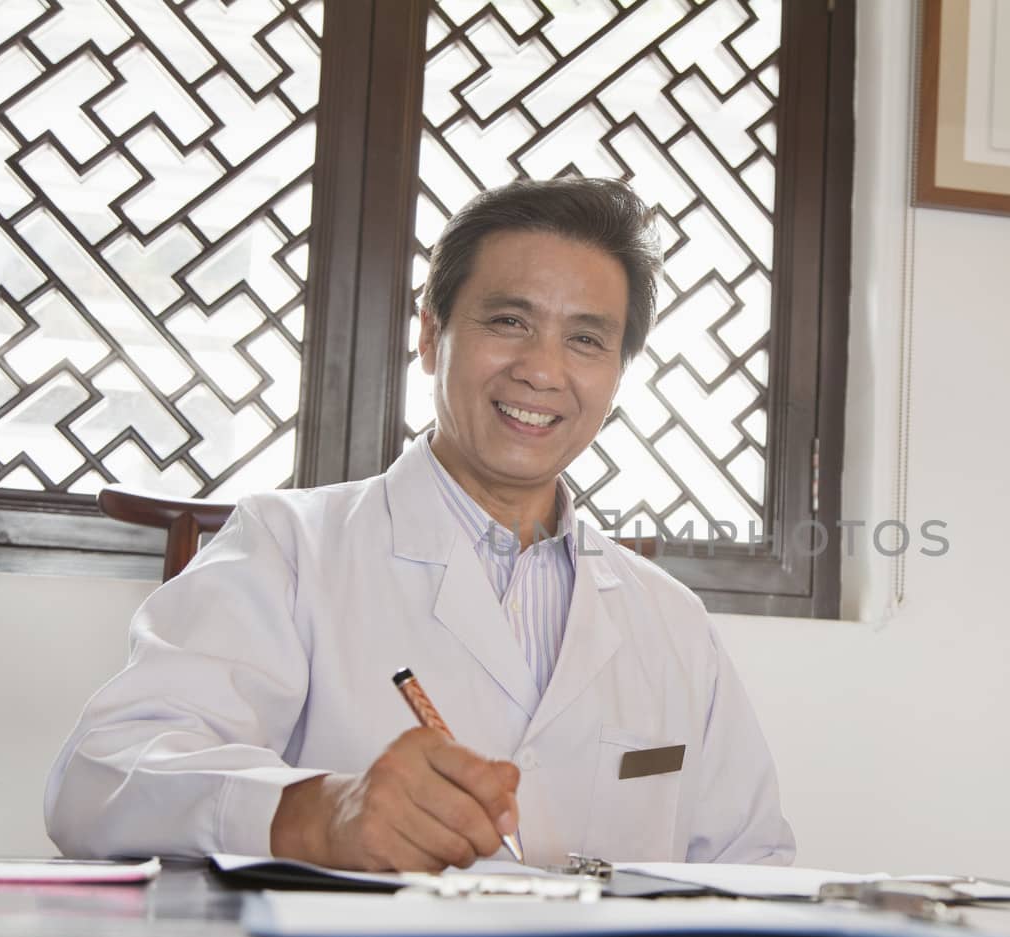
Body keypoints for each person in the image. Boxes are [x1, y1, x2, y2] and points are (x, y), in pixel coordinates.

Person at [44, 177, 795, 872]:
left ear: (617, 374)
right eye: (509, 321)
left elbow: (751, 862)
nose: (541, 369)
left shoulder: (671, 620)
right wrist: (316, 813)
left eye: (586, 340)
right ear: (432, 335)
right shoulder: (288, 547)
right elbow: (100, 775)